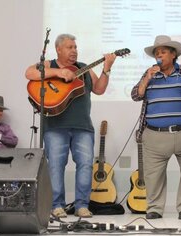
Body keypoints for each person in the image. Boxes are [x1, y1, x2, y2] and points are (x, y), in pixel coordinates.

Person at [25, 34, 117, 218]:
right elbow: (29, 73)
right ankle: (56, 205)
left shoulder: (84, 68)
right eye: (69, 47)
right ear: (58, 49)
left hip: (83, 126)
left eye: (75, 47)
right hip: (55, 126)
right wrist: (59, 73)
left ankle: (82, 205)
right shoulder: (49, 65)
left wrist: (106, 69)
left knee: (85, 165)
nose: (74, 50)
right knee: (56, 166)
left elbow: (99, 89)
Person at [131, 35, 181, 220]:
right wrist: (146, 79)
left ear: (173, 54)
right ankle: (155, 208)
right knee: (153, 175)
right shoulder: (148, 74)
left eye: (163, 52)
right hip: (154, 136)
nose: (159, 55)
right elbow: (136, 95)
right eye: (156, 53)